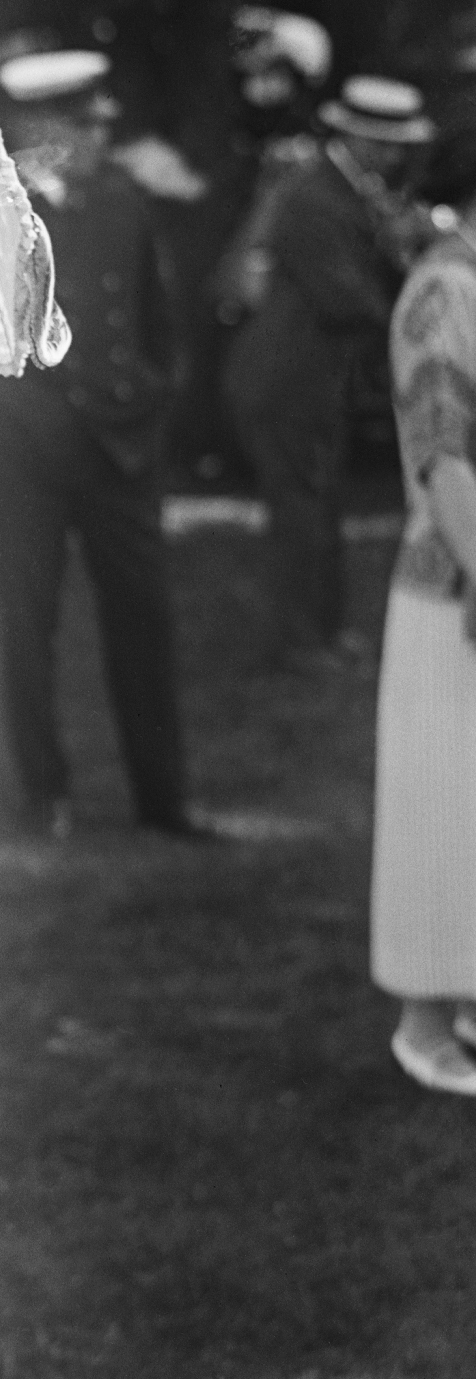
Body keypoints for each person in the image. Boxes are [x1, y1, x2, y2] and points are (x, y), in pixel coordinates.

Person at [0, 49, 199, 839]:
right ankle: (44, 797)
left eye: (100, 124)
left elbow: (156, 314)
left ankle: (164, 803)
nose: (101, 136)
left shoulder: (124, 201)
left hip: (122, 447)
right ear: (44, 127)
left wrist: (157, 396)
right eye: (86, 124)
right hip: (29, 450)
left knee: (145, 621)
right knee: (28, 621)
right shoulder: (1, 206)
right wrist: (16, 428)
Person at [223, 75, 433, 667]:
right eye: (389, 142)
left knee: (318, 503)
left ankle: (321, 632)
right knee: (300, 509)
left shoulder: (346, 189)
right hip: (282, 382)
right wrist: (421, 312)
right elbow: (346, 301)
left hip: (310, 381)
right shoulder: (313, 197)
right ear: (359, 138)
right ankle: (299, 643)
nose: (397, 155)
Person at [372, 204, 476, 1094]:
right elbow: (445, 463)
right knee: (440, 810)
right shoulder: (446, 292)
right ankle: (423, 1025)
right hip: (455, 592)